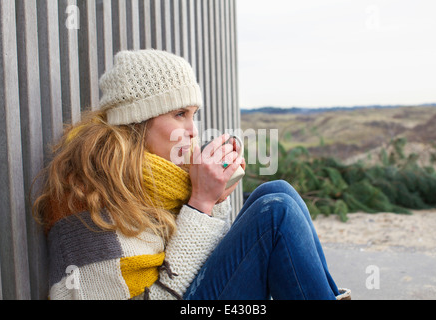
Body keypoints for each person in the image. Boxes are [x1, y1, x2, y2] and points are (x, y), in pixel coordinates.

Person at [33, 49, 350, 300]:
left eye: (193, 115)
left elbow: (200, 265)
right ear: (137, 122)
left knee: (274, 192)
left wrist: (215, 201)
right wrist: (200, 204)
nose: (192, 131)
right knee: (275, 212)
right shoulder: (89, 194)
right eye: (179, 114)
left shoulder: (157, 179)